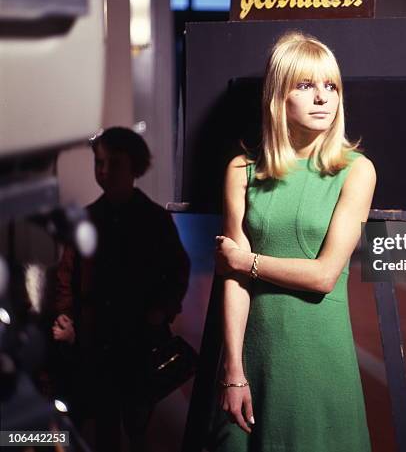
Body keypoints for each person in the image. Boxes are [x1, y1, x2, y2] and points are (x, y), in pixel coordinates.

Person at [209, 31, 376, 452]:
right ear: (278, 97)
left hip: (319, 355)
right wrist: (233, 369)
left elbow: (323, 276)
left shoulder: (356, 171)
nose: (323, 98)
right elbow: (233, 281)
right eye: (306, 85)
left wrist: (245, 260)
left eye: (331, 86)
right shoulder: (241, 170)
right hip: (255, 352)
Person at [52, 127, 191, 452]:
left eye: (114, 163)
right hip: (96, 340)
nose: (103, 171)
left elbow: (177, 270)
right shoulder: (86, 219)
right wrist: (65, 315)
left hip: (139, 338)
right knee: (104, 426)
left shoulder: (154, 220)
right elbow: (67, 276)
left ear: (134, 166)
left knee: (138, 420)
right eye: (99, 163)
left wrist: (162, 309)